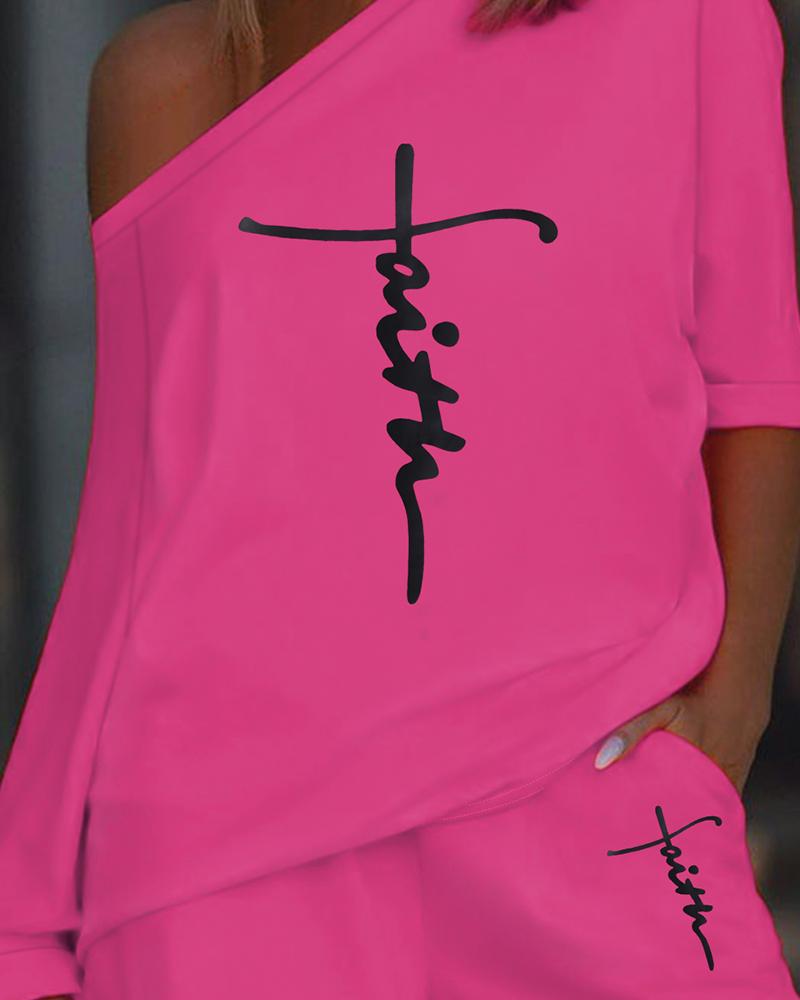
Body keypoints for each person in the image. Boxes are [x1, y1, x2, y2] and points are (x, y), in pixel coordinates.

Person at [3, 0, 800, 996]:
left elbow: (753, 384)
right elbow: (132, 523)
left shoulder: (680, 18)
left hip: (589, 802)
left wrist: (731, 710)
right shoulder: (169, 76)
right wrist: (25, 917)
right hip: (213, 864)